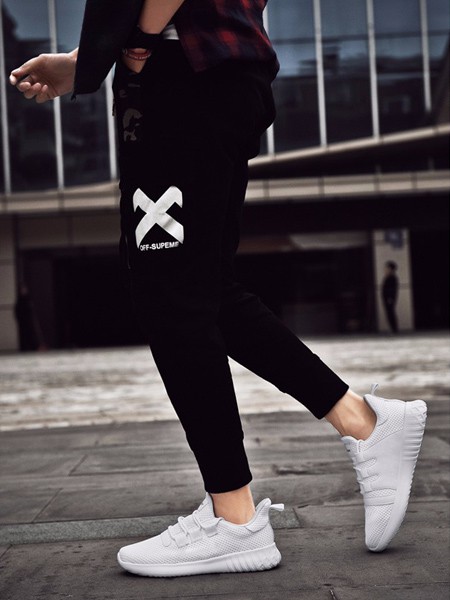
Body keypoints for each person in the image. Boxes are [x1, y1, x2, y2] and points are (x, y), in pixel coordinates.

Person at [10, 0, 427, 578]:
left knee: (170, 295)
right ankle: (362, 422)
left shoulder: (169, 55)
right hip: (207, 71)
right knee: (200, 290)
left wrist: (141, 45)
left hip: (181, 75)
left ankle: (235, 519)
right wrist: (89, 60)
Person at [382, 261, 399, 333]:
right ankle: (393, 328)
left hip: (389, 298)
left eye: (387, 267)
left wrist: (390, 298)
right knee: (389, 313)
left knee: (390, 313)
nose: (385, 269)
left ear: (391, 269)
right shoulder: (388, 277)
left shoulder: (392, 277)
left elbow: (392, 289)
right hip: (387, 298)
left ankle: (394, 329)